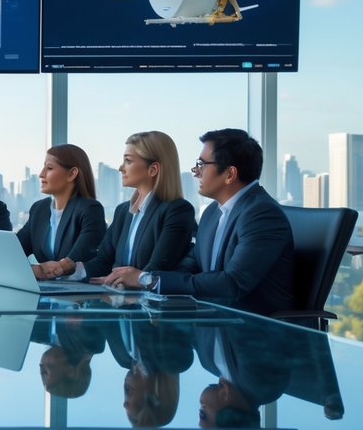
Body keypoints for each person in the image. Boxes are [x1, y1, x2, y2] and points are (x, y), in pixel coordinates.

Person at [107, 129, 295, 316]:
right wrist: (152, 281)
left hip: (253, 332)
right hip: (212, 321)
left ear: (230, 174)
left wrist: (146, 279)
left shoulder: (262, 215)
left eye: (202, 164)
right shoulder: (212, 212)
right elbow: (193, 262)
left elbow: (232, 283)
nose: (196, 172)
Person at [43, 131, 196, 284]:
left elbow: (156, 269)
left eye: (128, 161)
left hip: (151, 304)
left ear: (153, 169)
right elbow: (103, 261)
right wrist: (64, 269)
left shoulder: (177, 211)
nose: (121, 168)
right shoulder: (123, 211)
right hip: (121, 300)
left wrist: (121, 280)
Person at [16, 144, 106, 279]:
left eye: (49, 168)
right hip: (48, 292)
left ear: (71, 174)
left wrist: (45, 271)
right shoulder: (39, 209)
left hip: (78, 295)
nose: (41, 174)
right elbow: (16, 250)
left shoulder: (90, 210)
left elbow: (72, 263)